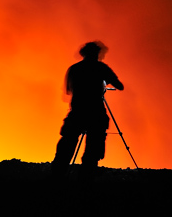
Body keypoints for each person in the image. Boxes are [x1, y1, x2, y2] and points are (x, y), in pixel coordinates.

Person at [51, 41, 124, 180]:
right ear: (97, 53)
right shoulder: (102, 68)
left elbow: (67, 92)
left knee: (67, 142)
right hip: (96, 113)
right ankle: (86, 176)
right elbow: (119, 86)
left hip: (77, 111)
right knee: (94, 146)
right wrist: (103, 83)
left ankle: (57, 174)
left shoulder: (74, 69)